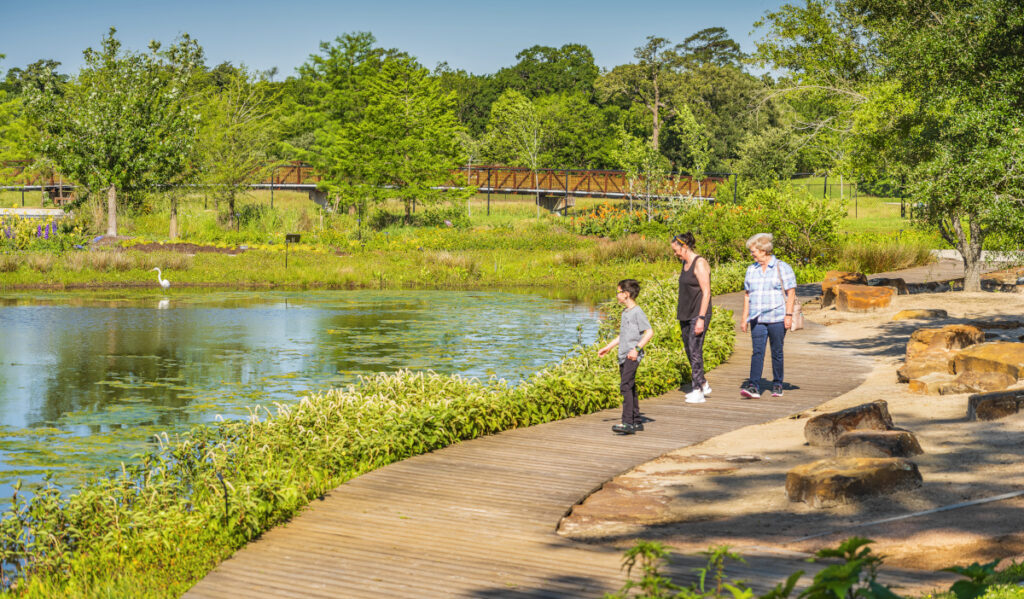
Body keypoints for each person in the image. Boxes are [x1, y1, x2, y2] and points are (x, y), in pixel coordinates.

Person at [740, 233, 797, 399]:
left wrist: (788, 315)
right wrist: (744, 318)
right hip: (757, 318)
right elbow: (747, 295)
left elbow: (791, 292)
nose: (752, 254)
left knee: (776, 351)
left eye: (753, 251)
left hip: (777, 317)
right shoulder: (751, 270)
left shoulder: (782, 267)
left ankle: (778, 383)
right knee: (757, 352)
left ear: (763, 250)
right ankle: (753, 386)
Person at [597, 279, 654, 435]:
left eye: (618, 292)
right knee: (630, 386)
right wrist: (608, 347)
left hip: (631, 355)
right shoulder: (625, 312)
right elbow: (622, 335)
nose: (616, 295)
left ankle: (627, 422)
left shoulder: (637, 312)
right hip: (623, 355)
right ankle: (636, 421)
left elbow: (649, 332)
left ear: (626, 294)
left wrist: (636, 349)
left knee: (625, 386)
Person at [670, 232, 713, 404]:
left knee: (695, 351)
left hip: (698, 313)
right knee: (689, 350)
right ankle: (702, 382)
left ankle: (698, 390)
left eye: (676, 250)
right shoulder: (684, 262)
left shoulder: (699, 263)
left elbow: (706, 292)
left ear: (685, 246)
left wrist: (701, 317)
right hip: (685, 313)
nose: (675, 254)